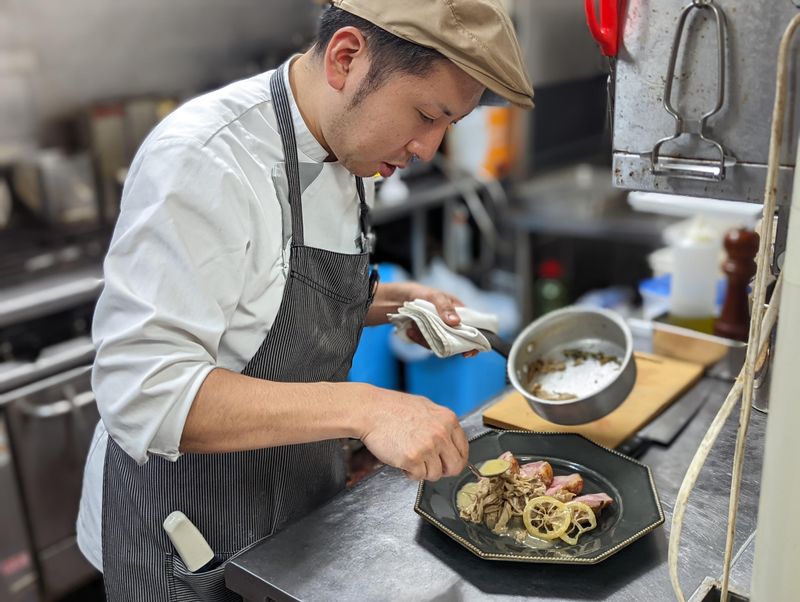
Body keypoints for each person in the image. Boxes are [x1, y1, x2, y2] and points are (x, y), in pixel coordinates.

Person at [77, 0, 533, 598]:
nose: (428, 147)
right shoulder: (203, 159)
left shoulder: (346, 145)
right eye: (426, 114)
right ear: (346, 59)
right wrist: (370, 408)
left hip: (295, 511)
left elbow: (266, 289)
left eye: (449, 123)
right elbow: (145, 390)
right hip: (183, 529)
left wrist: (399, 303)